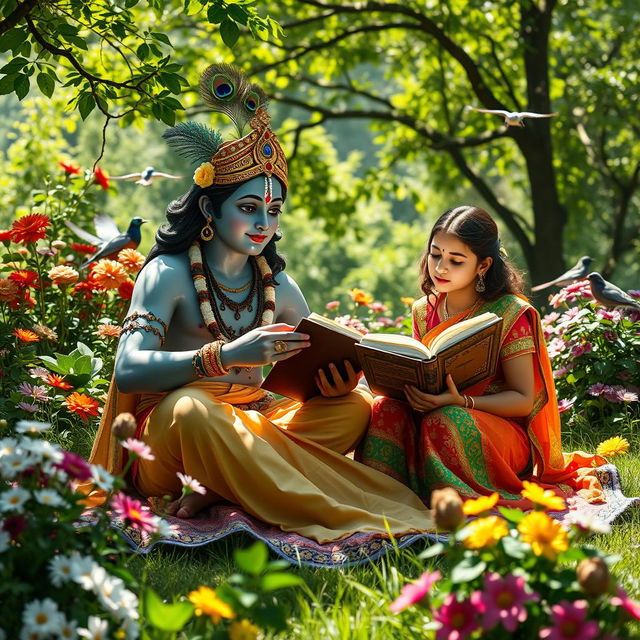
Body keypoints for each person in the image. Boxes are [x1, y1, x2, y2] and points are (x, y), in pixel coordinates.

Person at [86, 64, 433, 542]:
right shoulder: (166, 274)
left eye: (272, 211)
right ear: (210, 209)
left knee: (353, 409)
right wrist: (224, 356)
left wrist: (330, 385)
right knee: (193, 409)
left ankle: (221, 487)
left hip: (253, 419)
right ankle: (282, 496)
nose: (262, 223)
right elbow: (128, 369)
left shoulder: (279, 287)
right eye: (248, 208)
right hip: (174, 439)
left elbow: (311, 357)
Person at [357, 205, 605, 507]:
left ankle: (455, 507)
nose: (441, 268)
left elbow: (523, 399)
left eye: (455, 260)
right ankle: (388, 501)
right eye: (436, 255)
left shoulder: (510, 313)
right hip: (432, 415)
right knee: (384, 409)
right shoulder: (423, 311)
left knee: (445, 420)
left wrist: (460, 401)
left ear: (483, 265)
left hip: (496, 434)